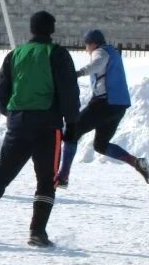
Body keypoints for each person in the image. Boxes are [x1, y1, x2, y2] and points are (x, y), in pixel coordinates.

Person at [0, 10, 79, 248]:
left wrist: (12, 114)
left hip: (18, 125)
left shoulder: (15, 54)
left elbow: (0, 93)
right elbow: (69, 91)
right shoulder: (57, 54)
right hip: (48, 127)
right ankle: (37, 233)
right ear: (52, 29)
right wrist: (72, 124)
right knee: (46, 181)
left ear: (31, 29)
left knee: (1, 176)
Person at [55, 29, 148, 187]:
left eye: (86, 46)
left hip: (105, 103)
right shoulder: (114, 53)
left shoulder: (100, 52)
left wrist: (77, 73)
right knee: (101, 145)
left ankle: (63, 176)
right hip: (118, 106)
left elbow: (96, 64)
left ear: (92, 43)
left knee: (72, 132)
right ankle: (136, 162)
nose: (86, 50)